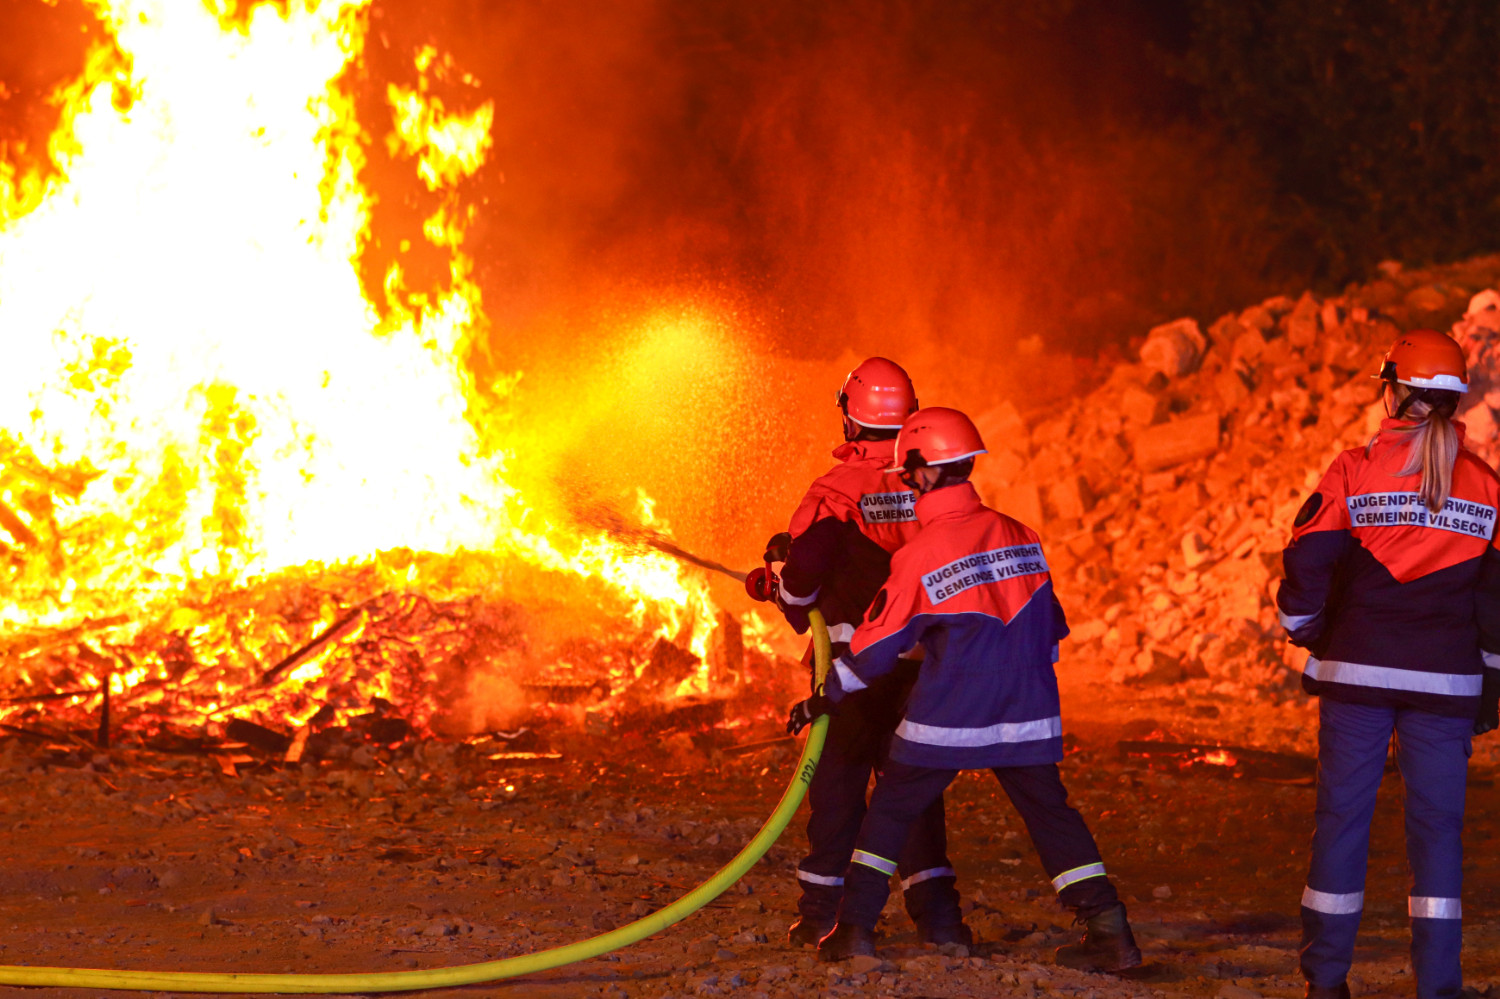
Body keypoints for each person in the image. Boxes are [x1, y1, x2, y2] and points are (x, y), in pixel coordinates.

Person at [789, 406, 1141, 971]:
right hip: (1028, 710)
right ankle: (1109, 930)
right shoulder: (1020, 535)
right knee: (1052, 815)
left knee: (891, 811)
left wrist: (824, 696)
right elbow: (1052, 627)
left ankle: (853, 930)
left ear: (924, 472)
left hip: (948, 715)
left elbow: (877, 650)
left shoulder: (920, 556)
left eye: (909, 472)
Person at [1277, 329, 1500, 999]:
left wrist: (1310, 630)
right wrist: (1491, 676)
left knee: (1342, 821)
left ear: (1394, 387)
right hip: (1446, 681)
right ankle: (1437, 987)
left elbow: (1307, 563)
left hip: (1358, 674)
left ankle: (1326, 982)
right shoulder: (1486, 481)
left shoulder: (1354, 467)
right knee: (1438, 834)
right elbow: (1496, 596)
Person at [750, 357, 967, 948]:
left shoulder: (836, 492)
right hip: (923, 666)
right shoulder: (934, 481)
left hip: (849, 667)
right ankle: (941, 921)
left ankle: (823, 914)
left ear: (850, 418)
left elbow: (802, 585)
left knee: (839, 785)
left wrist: (780, 588)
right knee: (913, 789)